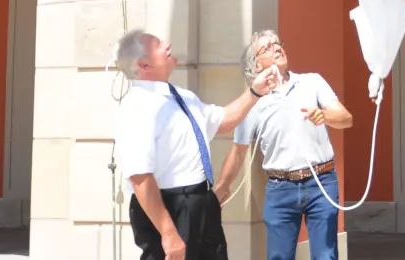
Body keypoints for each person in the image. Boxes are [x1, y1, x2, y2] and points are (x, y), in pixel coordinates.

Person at [114, 29, 281, 260]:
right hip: (170, 207)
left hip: (201, 202)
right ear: (144, 65)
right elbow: (140, 177)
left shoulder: (180, 96)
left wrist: (255, 92)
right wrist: (168, 231)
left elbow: (221, 121)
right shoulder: (137, 107)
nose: (167, 44)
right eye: (157, 44)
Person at [214, 31, 353, 260]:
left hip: (321, 181)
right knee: (279, 256)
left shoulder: (312, 81)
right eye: (267, 48)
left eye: (277, 44)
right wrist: (221, 188)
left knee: (326, 255)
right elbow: (238, 152)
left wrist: (324, 115)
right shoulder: (253, 101)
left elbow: (345, 118)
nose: (276, 48)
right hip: (281, 189)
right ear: (257, 65)